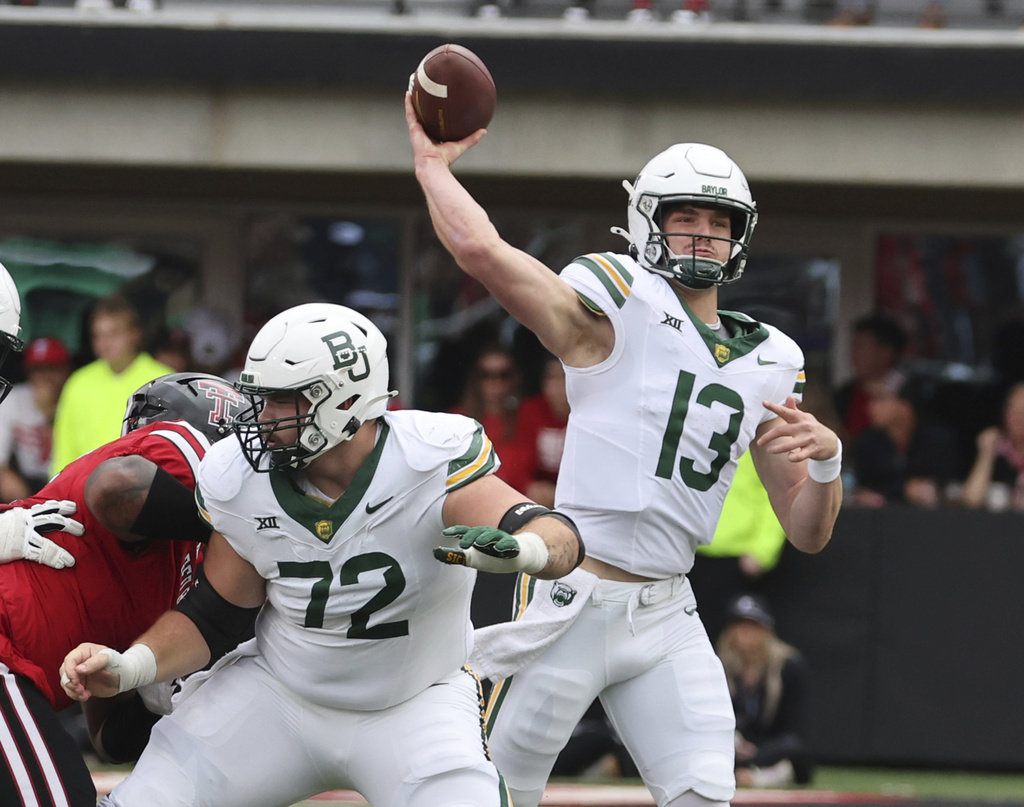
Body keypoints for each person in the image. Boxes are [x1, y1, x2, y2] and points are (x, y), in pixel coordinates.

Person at [408, 100, 842, 807]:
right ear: (647, 222)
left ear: (740, 234)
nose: (703, 235)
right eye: (685, 217)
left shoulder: (772, 358)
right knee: (494, 793)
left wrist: (827, 464)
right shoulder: (616, 303)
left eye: (719, 222)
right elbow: (482, 252)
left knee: (704, 793)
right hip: (570, 597)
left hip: (668, 609)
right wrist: (432, 168)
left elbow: (807, 530)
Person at [61, 302, 585, 807]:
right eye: (260, 398)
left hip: (417, 703)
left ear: (345, 401)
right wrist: (131, 666)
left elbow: (559, 537)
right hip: (279, 698)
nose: (259, 416)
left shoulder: (426, 458)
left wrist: (526, 551)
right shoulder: (239, 479)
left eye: (281, 400)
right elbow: (212, 616)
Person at [0, 372, 246, 807]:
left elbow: (108, 739)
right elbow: (118, 485)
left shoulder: (178, 552)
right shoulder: (173, 453)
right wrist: (246, 536)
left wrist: (151, 689)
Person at [50, 294, 175, 474]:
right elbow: (64, 448)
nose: (105, 343)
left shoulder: (163, 380)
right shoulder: (78, 382)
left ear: (135, 334)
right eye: (98, 335)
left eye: (114, 334)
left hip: (144, 483)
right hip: (85, 484)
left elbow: (172, 446)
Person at [690, 450, 787, 645]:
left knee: (730, 644)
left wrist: (762, 551)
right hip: (683, 554)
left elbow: (779, 492)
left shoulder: (758, 439)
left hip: (735, 561)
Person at [717, 594, 813, 789]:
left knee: (794, 748)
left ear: (766, 629)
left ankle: (758, 776)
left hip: (769, 747)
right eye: (740, 625)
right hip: (732, 745)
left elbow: (794, 728)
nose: (746, 632)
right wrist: (736, 741)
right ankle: (750, 774)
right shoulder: (718, 664)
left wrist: (758, 750)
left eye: (753, 626)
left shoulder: (788, 665)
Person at [849, 382, 960, 508]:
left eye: (881, 400)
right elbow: (862, 487)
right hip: (878, 516)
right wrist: (904, 488)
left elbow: (947, 486)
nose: (871, 407)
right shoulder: (867, 442)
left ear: (905, 406)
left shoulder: (937, 440)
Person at [451, 344, 533, 494]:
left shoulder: (529, 416)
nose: (495, 382)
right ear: (475, 379)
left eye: (504, 375)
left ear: (515, 378)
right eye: (486, 375)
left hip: (520, 499)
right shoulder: (457, 419)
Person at [0, 336, 73, 501]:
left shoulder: (75, 396)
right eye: (38, 370)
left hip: (65, 481)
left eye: (52, 369)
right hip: (27, 482)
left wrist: (49, 415)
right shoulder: (13, 398)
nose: (45, 377)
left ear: (66, 370)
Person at [833, 313, 907, 444]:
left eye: (861, 346)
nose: (853, 354)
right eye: (853, 346)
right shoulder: (845, 394)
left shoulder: (908, 394)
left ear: (886, 352)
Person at [959, 381, 1024, 511]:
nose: (1018, 419)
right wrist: (986, 454)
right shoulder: (996, 447)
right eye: (1013, 411)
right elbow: (971, 501)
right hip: (997, 522)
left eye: (1023, 412)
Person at [516, 354, 570, 508]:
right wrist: (528, 484)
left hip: (576, 495)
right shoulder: (531, 410)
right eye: (552, 377)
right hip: (541, 495)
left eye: (564, 376)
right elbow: (520, 462)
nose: (558, 385)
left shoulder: (588, 414)